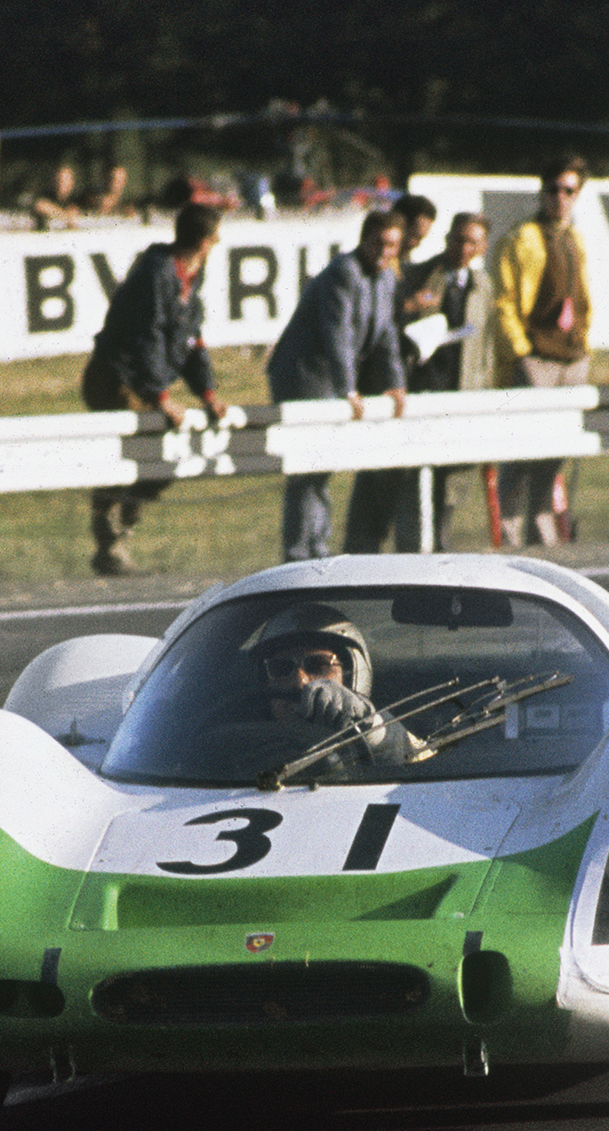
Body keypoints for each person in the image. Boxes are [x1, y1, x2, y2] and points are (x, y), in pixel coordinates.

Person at [79, 202, 226, 575]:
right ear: (205, 241)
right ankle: (109, 532)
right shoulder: (158, 273)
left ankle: (117, 530)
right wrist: (161, 396)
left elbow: (189, 339)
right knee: (147, 456)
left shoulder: (191, 276)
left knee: (163, 460)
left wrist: (207, 392)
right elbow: (148, 337)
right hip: (116, 378)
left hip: (144, 383)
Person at [267, 209, 407, 561]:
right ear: (365, 239)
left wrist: (395, 383)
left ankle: (317, 546)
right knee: (310, 466)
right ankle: (301, 552)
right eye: (378, 242)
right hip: (304, 374)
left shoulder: (387, 279)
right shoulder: (344, 272)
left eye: (392, 244)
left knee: (322, 466)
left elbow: (387, 334)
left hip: (333, 377)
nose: (384, 251)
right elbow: (338, 334)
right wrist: (348, 387)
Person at [345, 208, 485, 553]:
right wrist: (410, 309)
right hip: (412, 394)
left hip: (457, 400)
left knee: (445, 493)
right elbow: (384, 331)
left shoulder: (484, 286)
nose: (463, 248)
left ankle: (434, 554)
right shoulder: (417, 275)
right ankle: (373, 555)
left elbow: (486, 350)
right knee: (394, 489)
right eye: (458, 239)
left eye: (472, 242)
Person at [492, 157, 595, 547]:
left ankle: (545, 536)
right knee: (519, 457)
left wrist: (583, 344)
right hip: (535, 358)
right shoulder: (522, 238)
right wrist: (521, 353)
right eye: (553, 189)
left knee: (552, 459)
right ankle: (510, 537)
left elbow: (582, 295)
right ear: (542, 191)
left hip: (571, 358)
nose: (560, 198)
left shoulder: (574, 237)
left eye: (568, 191)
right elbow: (504, 302)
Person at [247, 603, 411, 768]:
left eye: (319, 665)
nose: (300, 681)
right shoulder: (242, 736)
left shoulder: (375, 726)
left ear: (351, 674)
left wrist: (368, 727)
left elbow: (416, 756)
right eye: (280, 668)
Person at [30, 164, 83, 229]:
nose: (64, 183)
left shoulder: (76, 197)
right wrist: (64, 215)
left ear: (72, 182)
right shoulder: (48, 193)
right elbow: (40, 205)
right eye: (61, 180)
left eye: (67, 180)